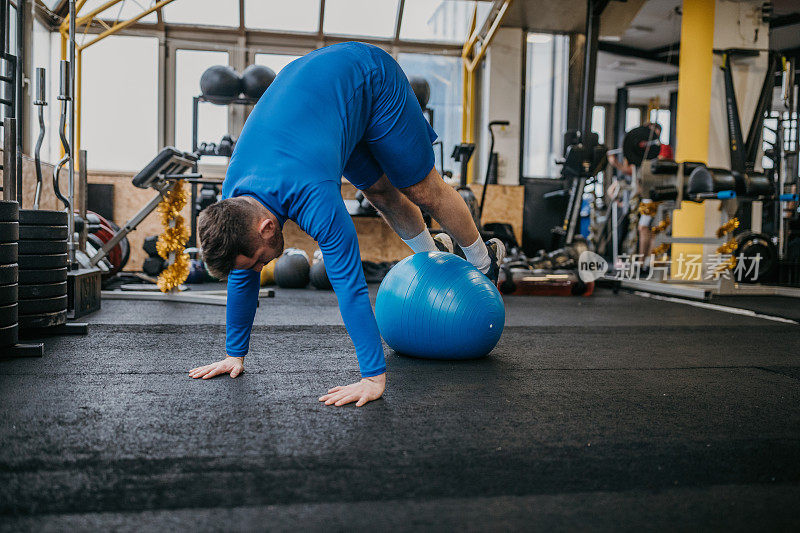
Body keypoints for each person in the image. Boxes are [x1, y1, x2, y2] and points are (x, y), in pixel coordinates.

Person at [188, 42, 505, 407]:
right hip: (327, 107)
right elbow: (242, 274)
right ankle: (435, 259)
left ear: (267, 229)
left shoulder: (312, 195)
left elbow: (350, 286)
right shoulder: (235, 203)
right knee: (381, 194)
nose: (262, 267)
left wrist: (373, 377)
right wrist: (234, 353)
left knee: (420, 188)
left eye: (260, 260)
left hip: (369, 78)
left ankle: (484, 259)